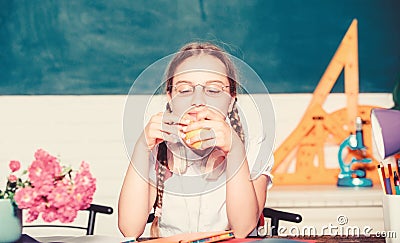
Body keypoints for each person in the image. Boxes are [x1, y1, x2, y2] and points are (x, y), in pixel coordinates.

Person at [118, 42, 273, 238]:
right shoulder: (158, 149)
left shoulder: (254, 148)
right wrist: (141, 147)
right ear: (170, 98)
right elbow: (129, 229)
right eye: (184, 90)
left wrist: (235, 151)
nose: (198, 100)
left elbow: (243, 229)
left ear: (232, 98)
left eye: (214, 90)